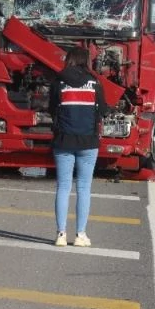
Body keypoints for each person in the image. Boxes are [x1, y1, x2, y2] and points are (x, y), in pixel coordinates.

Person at [48, 47, 109, 247]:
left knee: (63, 187)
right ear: (86, 61)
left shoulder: (58, 81)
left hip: (63, 141)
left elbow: (51, 108)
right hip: (88, 142)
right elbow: (103, 110)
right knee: (84, 187)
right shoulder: (94, 83)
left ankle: (61, 234)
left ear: (69, 60)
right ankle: (81, 235)